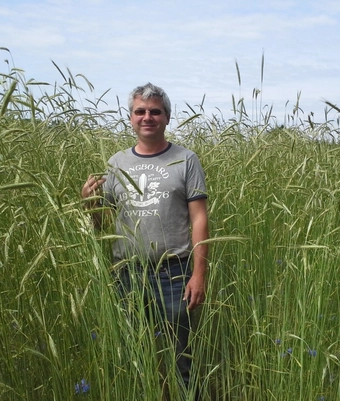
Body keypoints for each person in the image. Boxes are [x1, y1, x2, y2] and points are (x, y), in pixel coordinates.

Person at [81, 83, 209, 397]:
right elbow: (102, 226)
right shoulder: (116, 163)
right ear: (131, 118)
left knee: (181, 357)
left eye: (155, 111)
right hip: (127, 274)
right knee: (135, 357)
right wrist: (90, 202)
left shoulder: (186, 160)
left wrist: (199, 274)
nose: (147, 117)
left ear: (167, 117)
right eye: (140, 111)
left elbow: (199, 218)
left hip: (174, 274)